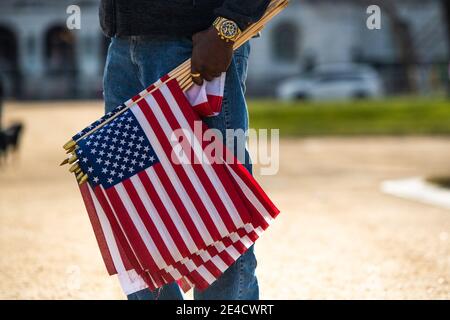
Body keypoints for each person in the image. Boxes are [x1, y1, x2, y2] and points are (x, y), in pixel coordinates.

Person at [100, 0, 270, 300]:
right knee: (136, 206)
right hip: (121, 44)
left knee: (217, 211)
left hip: (196, 44)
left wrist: (227, 27)